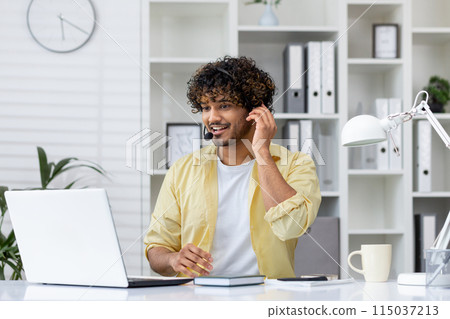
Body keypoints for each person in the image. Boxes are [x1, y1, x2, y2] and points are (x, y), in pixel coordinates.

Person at [144, 56, 321, 279]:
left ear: (255, 110)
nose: (212, 117)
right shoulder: (182, 170)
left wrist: (262, 152)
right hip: (199, 300)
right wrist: (173, 259)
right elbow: (156, 250)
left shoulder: (296, 165)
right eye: (205, 107)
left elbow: (290, 227)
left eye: (224, 106)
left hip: (267, 301)